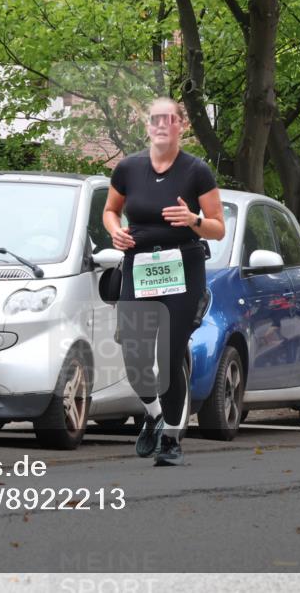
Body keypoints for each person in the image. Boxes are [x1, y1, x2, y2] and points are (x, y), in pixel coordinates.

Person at [103, 97, 225, 466]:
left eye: (169, 119)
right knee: (134, 356)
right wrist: (115, 231)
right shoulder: (128, 168)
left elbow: (218, 228)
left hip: (182, 269)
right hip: (139, 266)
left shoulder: (196, 171)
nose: (161, 124)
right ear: (147, 126)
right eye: (155, 118)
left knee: (169, 358)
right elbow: (110, 210)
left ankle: (171, 438)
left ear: (181, 126)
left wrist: (193, 220)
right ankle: (154, 415)